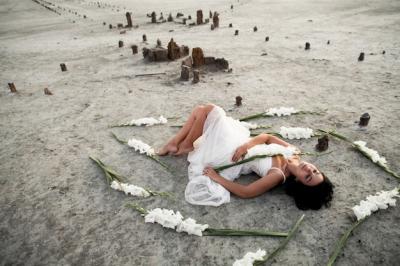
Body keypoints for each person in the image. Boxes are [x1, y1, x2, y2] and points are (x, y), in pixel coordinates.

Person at [158, 104, 333, 209]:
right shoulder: (294, 152)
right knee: (201, 110)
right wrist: (247, 145)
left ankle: (183, 143)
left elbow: (246, 192)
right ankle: (176, 143)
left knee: (211, 111)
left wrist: (216, 177)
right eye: (315, 170)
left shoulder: (278, 174)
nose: (309, 169)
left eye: (308, 177)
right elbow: (267, 137)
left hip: (231, 156)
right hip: (241, 143)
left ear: (300, 183)